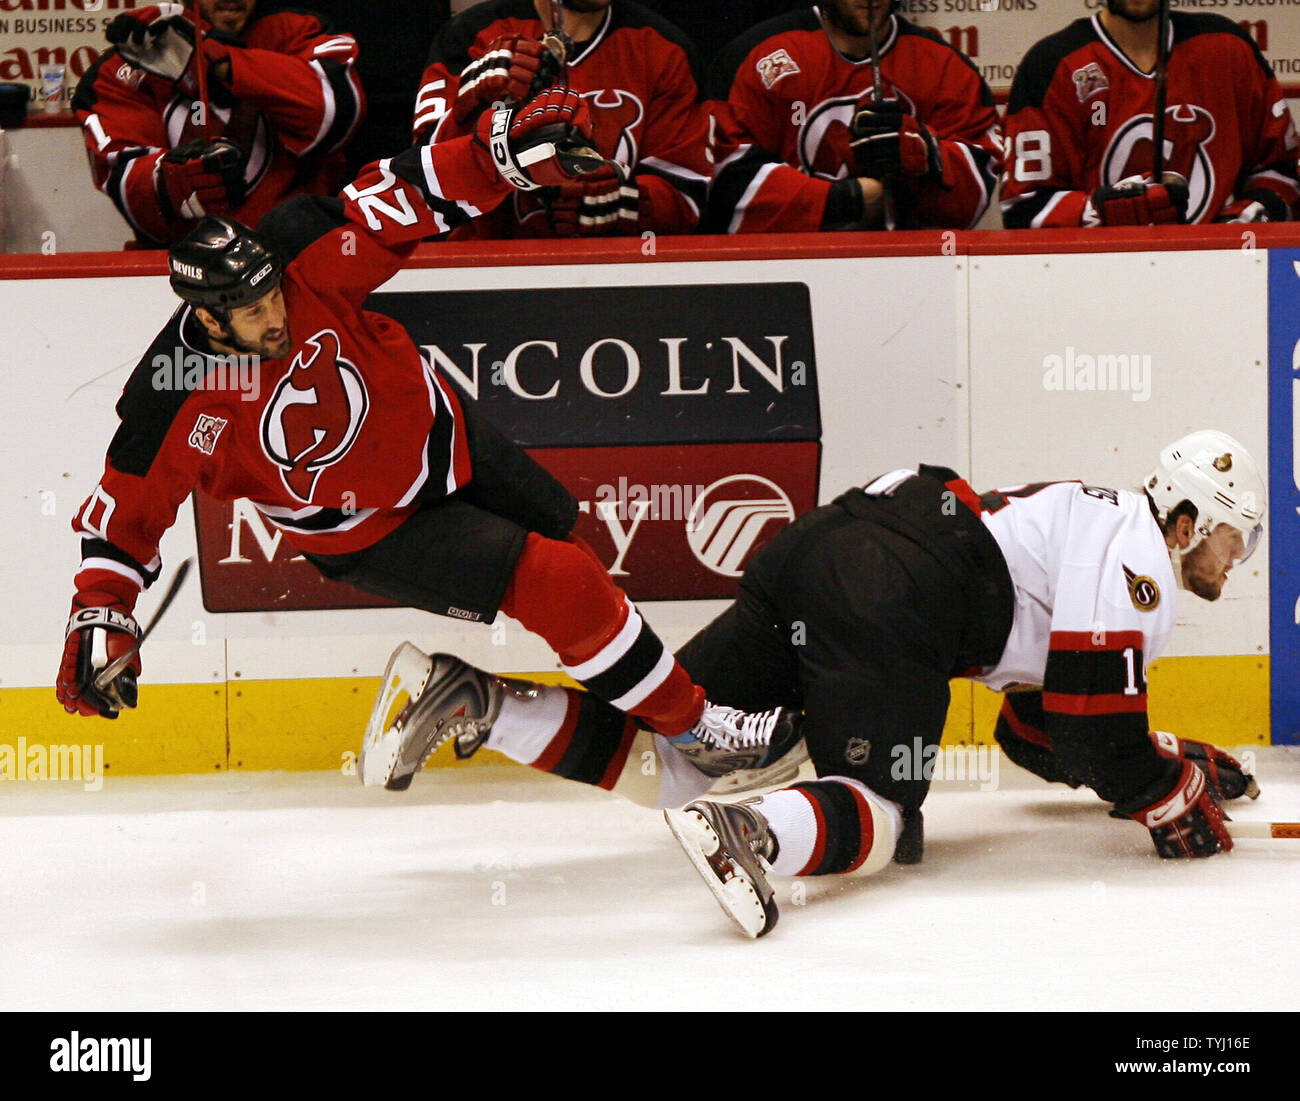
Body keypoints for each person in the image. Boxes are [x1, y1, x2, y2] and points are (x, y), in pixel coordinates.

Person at [54, 83, 798, 784]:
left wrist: (503, 154)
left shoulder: (297, 252)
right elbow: (124, 521)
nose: (275, 315)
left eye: (273, 296)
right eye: (250, 314)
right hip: (367, 529)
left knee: (581, 563)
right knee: (559, 582)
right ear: (209, 319)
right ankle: (697, 730)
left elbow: (405, 194)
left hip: (445, 440)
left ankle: (580, 729)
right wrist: (100, 616)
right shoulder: (171, 394)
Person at [372, 431, 1264, 937]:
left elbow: (1036, 733)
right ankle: (751, 831)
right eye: (1233, 537)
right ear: (1185, 522)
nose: (1238, 560)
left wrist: (1162, 755)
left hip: (823, 546)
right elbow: (1086, 729)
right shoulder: (1142, 560)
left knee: (677, 749)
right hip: (901, 588)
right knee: (881, 818)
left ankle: (472, 701)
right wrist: (1163, 792)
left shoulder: (1093, 524)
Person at [72, 0, 366, 246]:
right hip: (175, 270)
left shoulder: (298, 34)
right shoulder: (123, 66)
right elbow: (129, 184)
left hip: (297, 260)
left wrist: (222, 62)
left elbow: (333, 116)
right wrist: (175, 182)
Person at [413, 0, 711, 238]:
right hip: (482, 266)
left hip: (615, 274)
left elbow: (686, 195)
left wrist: (624, 202)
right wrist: (471, 104)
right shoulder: (473, 34)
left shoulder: (664, 49)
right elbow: (420, 177)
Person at [702, 0, 1001, 233]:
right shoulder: (755, 55)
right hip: (784, 273)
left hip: (904, 273)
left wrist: (927, 152)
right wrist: (845, 201)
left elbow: (977, 186)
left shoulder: (944, 66)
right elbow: (725, 179)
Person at [1001, 0, 1300, 228]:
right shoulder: (1054, 64)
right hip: (1096, 281)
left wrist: (1252, 213)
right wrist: (1105, 211)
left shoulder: (1227, 48)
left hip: (1219, 276)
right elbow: (1023, 207)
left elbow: (1281, 169)